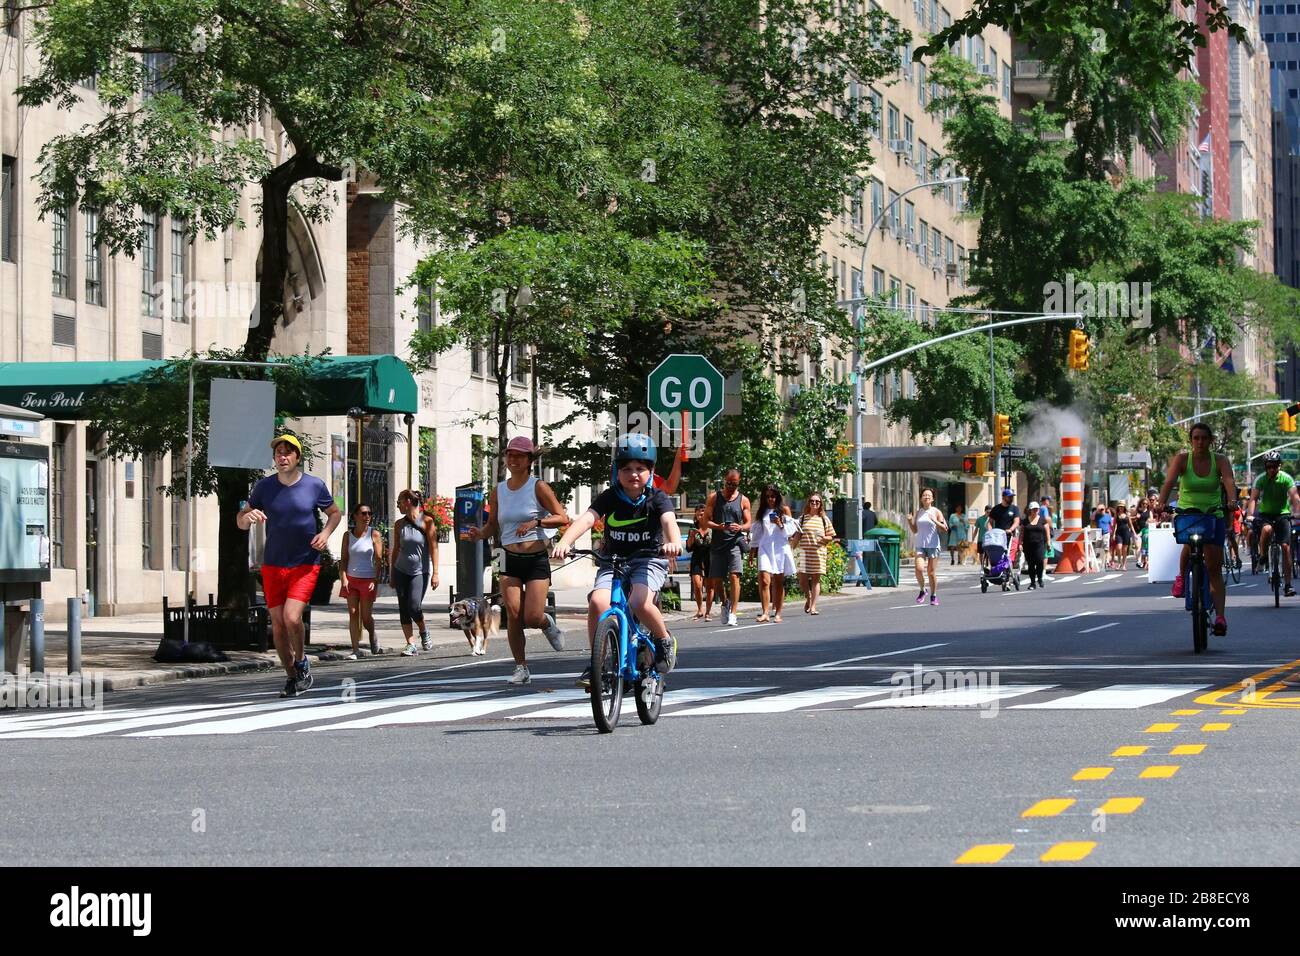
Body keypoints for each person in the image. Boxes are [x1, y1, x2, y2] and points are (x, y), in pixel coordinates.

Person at [552, 433, 682, 689]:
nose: (633, 474)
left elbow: (669, 521)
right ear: (616, 471)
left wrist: (673, 542)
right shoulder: (611, 496)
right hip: (613, 560)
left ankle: (664, 639)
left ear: (651, 471)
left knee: (638, 602)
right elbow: (588, 519)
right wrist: (565, 542)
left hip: (648, 560)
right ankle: (597, 662)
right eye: (626, 469)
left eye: (640, 468)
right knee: (599, 602)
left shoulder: (657, 498)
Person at [237, 435, 342, 698]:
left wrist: (326, 534)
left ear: (297, 457)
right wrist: (246, 517)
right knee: (278, 625)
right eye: (278, 454)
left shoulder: (314, 485)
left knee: (291, 617)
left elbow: (335, 513)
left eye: (287, 453)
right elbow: (240, 520)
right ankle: (292, 676)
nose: (282, 457)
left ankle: (302, 661)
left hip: (305, 563)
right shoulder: (264, 487)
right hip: (273, 564)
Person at [462, 436, 569, 685]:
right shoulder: (498, 490)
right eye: (510, 454)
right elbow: (491, 526)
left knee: (532, 617)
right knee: (513, 612)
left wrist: (536, 522)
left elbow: (562, 517)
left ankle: (547, 623)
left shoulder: (538, 487)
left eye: (520, 455)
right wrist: (480, 534)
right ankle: (521, 668)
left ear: (530, 460)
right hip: (505, 555)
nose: (513, 459)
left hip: (535, 557)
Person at [1155, 422, 1237, 636]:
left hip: (1213, 514)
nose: (1200, 442)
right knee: (1189, 543)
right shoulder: (1182, 460)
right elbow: (1169, 482)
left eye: (1204, 438)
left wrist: (1232, 501)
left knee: (1214, 568)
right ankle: (1181, 577)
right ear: (1191, 441)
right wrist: (1161, 503)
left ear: (1211, 440)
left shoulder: (1220, 460)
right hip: (1188, 513)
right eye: (1196, 438)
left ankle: (1220, 617)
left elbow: (1228, 482)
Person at [389, 489, 439, 656]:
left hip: (420, 571)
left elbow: (434, 548)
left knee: (414, 605)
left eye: (399, 502)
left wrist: (436, 573)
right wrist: (391, 572)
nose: (398, 506)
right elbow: (396, 549)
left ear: (408, 501)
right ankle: (410, 644)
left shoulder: (427, 521)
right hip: (400, 569)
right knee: (404, 608)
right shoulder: (399, 524)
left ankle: (424, 631)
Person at [1248, 450, 1300, 598]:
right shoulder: (1261, 479)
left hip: (1283, 514)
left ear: (1280, 466)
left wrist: (1297, 513)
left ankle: (1288, 585)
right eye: (1269, 466)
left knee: (1285, 547)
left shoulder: (1286, 479)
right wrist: (1250, 515)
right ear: (1266, 467)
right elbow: (1253, 499)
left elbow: (1295, 498)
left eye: (1275, 466)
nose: (1272, 469)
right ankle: (1263, 556)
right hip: (1266, 515)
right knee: (1267, 530)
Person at [705, 468, 752, 627]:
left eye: (735, 484)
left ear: (739, 483)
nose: (731, 486)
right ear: (724, 481)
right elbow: (706, 521)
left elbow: (748, 523)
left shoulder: (743, 500)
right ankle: (725, 603)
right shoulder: (714, 498)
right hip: (718, 544)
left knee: (734, 576)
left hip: (735, 543)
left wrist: (740, 527)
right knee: (717, 580)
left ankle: (733, 613)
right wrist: (719, 526)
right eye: (729, 483)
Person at [339, 502, 383, 659]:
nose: (367, 517)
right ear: (355, 516)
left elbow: (379, 560)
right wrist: (343, 577)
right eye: (363, 513)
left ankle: (372, 632)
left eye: (369, 514)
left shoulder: (374, 534)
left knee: (365, 617)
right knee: (352, 613)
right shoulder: (347, 535)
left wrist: (375, 580)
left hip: (368, 579)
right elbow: (344, 559)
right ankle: (355, 650)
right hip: (351, 579)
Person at [749, 485, 797, 623]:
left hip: (780, 548)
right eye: (768, 496)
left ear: (778, 497)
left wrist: (780, 523)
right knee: (764, 580)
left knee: (778, 581)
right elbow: (757, 533)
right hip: (765, 547)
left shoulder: (784, 510)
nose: (770, 499)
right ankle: (765, 612)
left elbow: (790, 531)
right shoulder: (761, 512)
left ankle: (778, 613)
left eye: (773, 496)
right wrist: (752, 551)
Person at [793, 493, 835, 614]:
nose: (814, 503)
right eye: (812, 501)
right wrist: (791, 550)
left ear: (821, 504)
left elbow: (831, 536)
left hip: (818, 552)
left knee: (816, 579)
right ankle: (808, 597)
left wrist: (824, 537)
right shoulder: (802, 519)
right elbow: (797, 536)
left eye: (817, 501)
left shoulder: (824, 519)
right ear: (808, 503)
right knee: (802, 579)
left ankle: (813, 607)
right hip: (804, 553)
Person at [908, 488, 948, 605]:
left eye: (929, 495)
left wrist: (935, 521)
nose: (926, 497)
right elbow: (915, 530)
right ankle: (922, 590)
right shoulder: (918, 512)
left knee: (931, 572)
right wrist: (910, 521)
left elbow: (944, 528)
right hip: (920, 544)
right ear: (921, 498)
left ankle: (933, 595)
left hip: (933, 545)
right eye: (924, 495)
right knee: (919, 569)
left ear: (933, 499)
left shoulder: (936, 511)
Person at [686, 507, 713, 620]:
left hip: (710, 558)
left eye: (703, 514)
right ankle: (700, 609)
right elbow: (688, 548)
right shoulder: (693, 529)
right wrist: (692, 537)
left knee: (709, 586)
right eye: (699, 515)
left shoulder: (712, 528)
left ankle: (708, 612)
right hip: (697, 558)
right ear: (696, 517)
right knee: (697, 585)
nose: (701, 516)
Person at [1021, 501, 1049, 588]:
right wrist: (1020, 543)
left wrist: (1048, 543)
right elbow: (1022, 533)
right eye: (1034, 509)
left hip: (1040, 544)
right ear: (1030, 510)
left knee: (1040, 561)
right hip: (1028, 545)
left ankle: (1040, 578)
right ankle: (1032, 583)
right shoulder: (1025, 521)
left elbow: (1047, 532)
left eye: (1037, 509)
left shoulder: (1042, 520)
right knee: (1031, 564)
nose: (1035, 511)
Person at [1110, 502, 1136, 570]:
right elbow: (1114, 525)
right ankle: (1119, 562)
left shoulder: (1127, 515)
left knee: (1124, 549)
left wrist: (1134, 533)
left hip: (1126, 533)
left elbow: (1130, 525)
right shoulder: (1116, 515)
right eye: (1119, 507)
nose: (1121, 508)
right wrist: (1113, 534)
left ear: (1124, 508)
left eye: (1122, 507)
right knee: (1119, 547)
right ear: (1118, 508)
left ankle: (1124, 565)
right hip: (1119, 533)